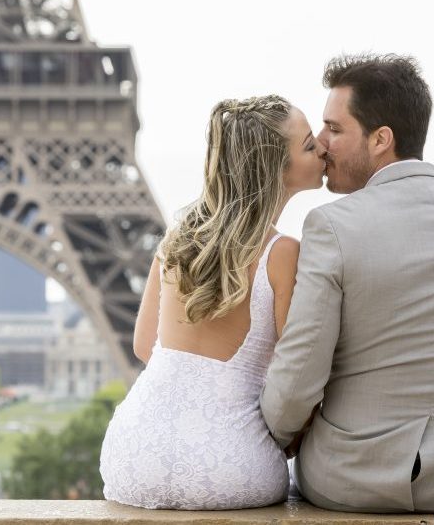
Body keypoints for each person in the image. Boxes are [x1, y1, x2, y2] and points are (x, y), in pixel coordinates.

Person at [260, 54, 434, 513]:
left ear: (381, 139)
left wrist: (279, 435)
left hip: (352, 480)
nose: (321, 145)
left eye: (334, 129)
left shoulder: (331, 226)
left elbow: (299, 376)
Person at [100, 94, 326, 509]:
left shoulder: (177, 238)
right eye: (310, 144)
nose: (323, 149)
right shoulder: (282, 253)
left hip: (133, 455)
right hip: (230, 464)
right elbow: (295, 371)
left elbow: (144, 344)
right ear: (277, 167)